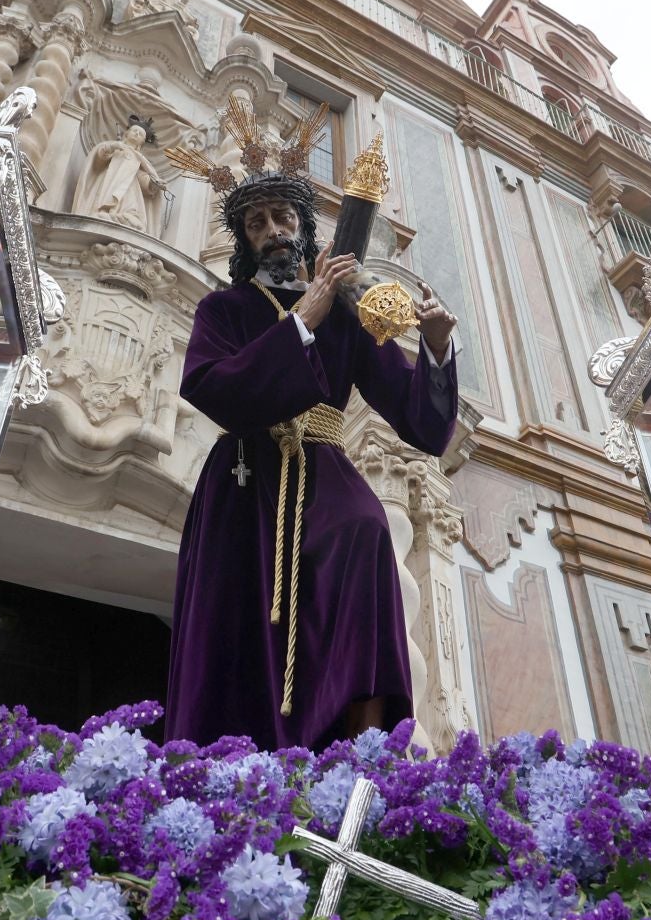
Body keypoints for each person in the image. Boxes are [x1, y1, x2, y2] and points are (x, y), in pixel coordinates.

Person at [163, 130, 457, 750]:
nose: (272, 229)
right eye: (258, 221)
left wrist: (433, 348)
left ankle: (365, 747)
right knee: (239, 617)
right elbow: (210, 385)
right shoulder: (225, 310)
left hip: (323, 466)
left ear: (304, 228)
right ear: (245, 239)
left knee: (368, 531)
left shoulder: (348, 313)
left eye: (283, 216)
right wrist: (304, 320)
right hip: (246, 478)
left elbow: (420, 422)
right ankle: (234, 757)